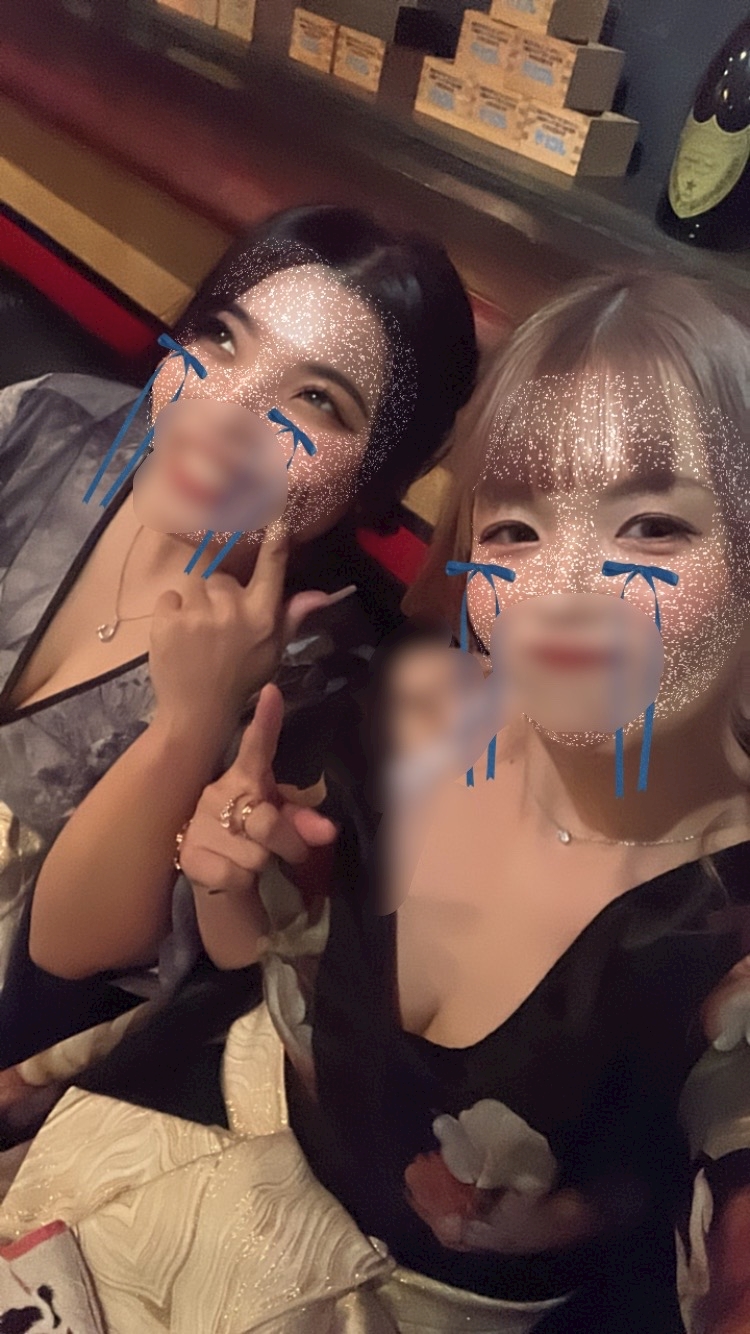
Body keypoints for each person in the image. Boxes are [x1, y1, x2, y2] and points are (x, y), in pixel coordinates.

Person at [2, 269, 750, 1334]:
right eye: (517, 528)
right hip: (142, 1165)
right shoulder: (399, 714)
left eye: (654, 526)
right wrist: (223, 870)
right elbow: (259, 964)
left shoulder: (725, 936)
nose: (561, 591)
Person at [0, 203, 479, 1067]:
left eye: (317, 400)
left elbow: (64, 962)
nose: (225, 413)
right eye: (222, 339)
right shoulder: (48, 426)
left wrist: (191, 724)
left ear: (378, 479)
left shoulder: (316, 695)